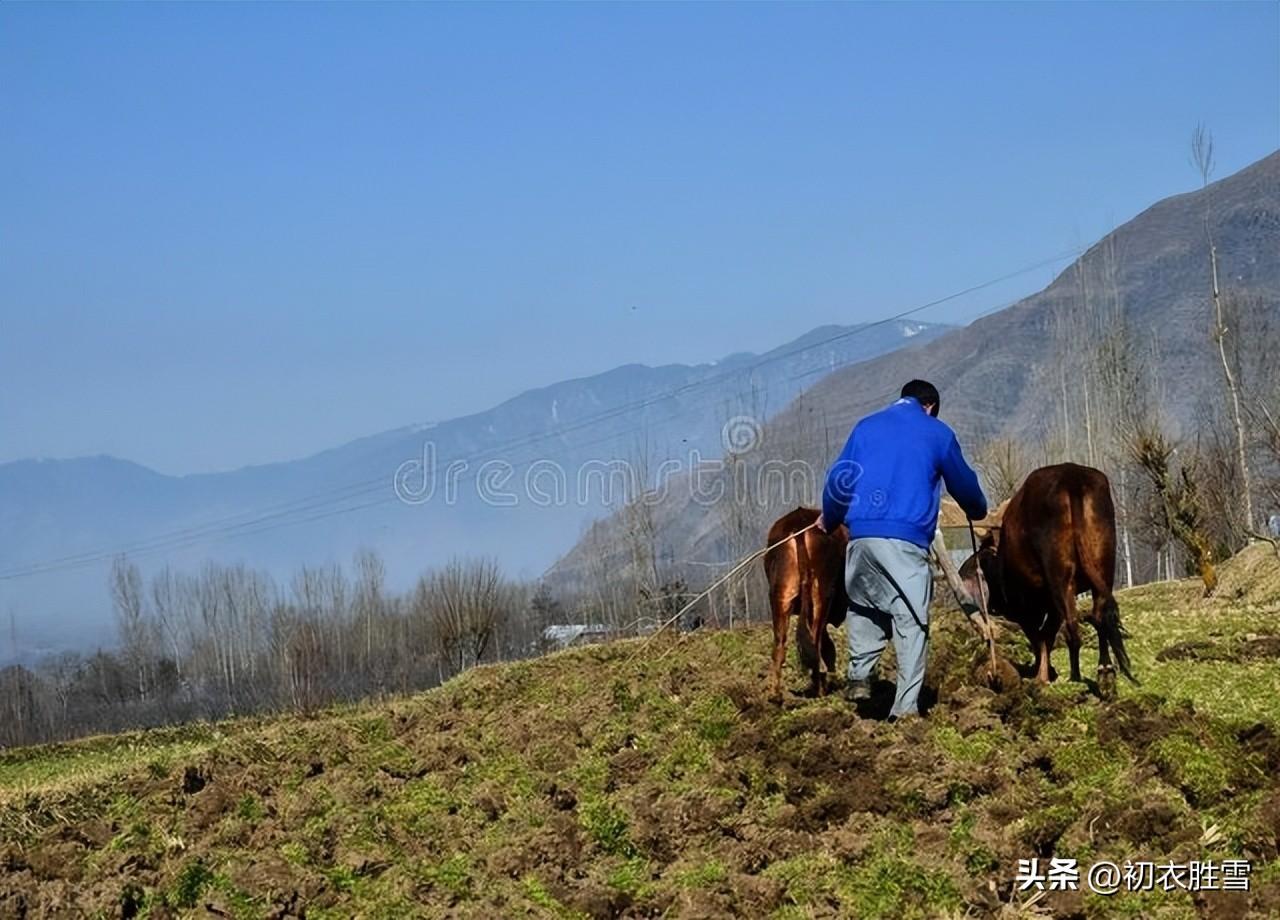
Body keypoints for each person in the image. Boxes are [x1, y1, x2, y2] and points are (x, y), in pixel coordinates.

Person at [816, 380, 988, 720]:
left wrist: (831, 516)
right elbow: (965, 486)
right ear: (931, 407)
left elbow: (839, 481)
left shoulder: (865, 427)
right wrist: (977, 508)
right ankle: (904, 709)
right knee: (911, 620)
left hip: (862, 536)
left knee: (865, 605)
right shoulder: (937, 432)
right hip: (905, 539)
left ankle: (860, 675)